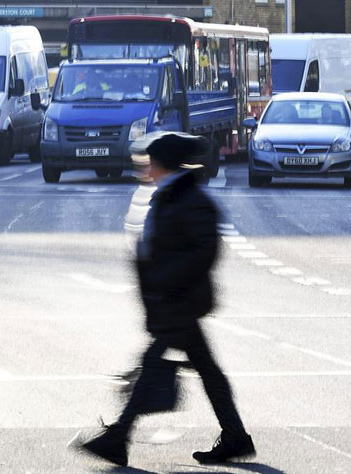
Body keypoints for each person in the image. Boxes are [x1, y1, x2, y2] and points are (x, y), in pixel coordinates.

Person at [76, 132, 255, 467]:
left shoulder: (189, 198)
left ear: (162, 164)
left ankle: (120, 435)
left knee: (154, 366)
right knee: (204, 369)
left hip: (181, 301)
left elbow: (206, 251)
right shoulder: (170, 194)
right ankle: (234, 435)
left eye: (149, 162)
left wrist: (165, 280)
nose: (145, 167)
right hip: (172, 300)